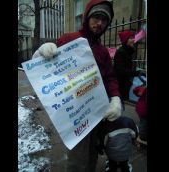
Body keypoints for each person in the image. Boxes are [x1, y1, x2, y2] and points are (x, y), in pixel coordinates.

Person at [32, 0, 122, 172]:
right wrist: (42, 52)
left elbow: (110, 77)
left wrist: (116, 98)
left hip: (96, 110)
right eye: (96, 17)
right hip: (75, 114)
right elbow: (47, 67)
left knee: (93, 153)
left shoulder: (102, 51)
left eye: (104, 19)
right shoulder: (69, 39)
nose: (100, 23)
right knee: (77, 159)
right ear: (87, 17)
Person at [114, 30, 141, 104]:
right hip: (120, 85)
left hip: (125, 84)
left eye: (133, 37)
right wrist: (136, 73)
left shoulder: (127, 51)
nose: (133, 40)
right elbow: (121, 70)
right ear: (125, 40)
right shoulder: (121, 52)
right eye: (131, 38)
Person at [133, 79, 147, 145]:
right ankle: (143, 137)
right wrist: (142, 88)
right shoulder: (144, 88)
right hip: (143, 111)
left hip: (142, 110)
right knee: (143, 124)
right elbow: (136, 91)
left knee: (144, 124)